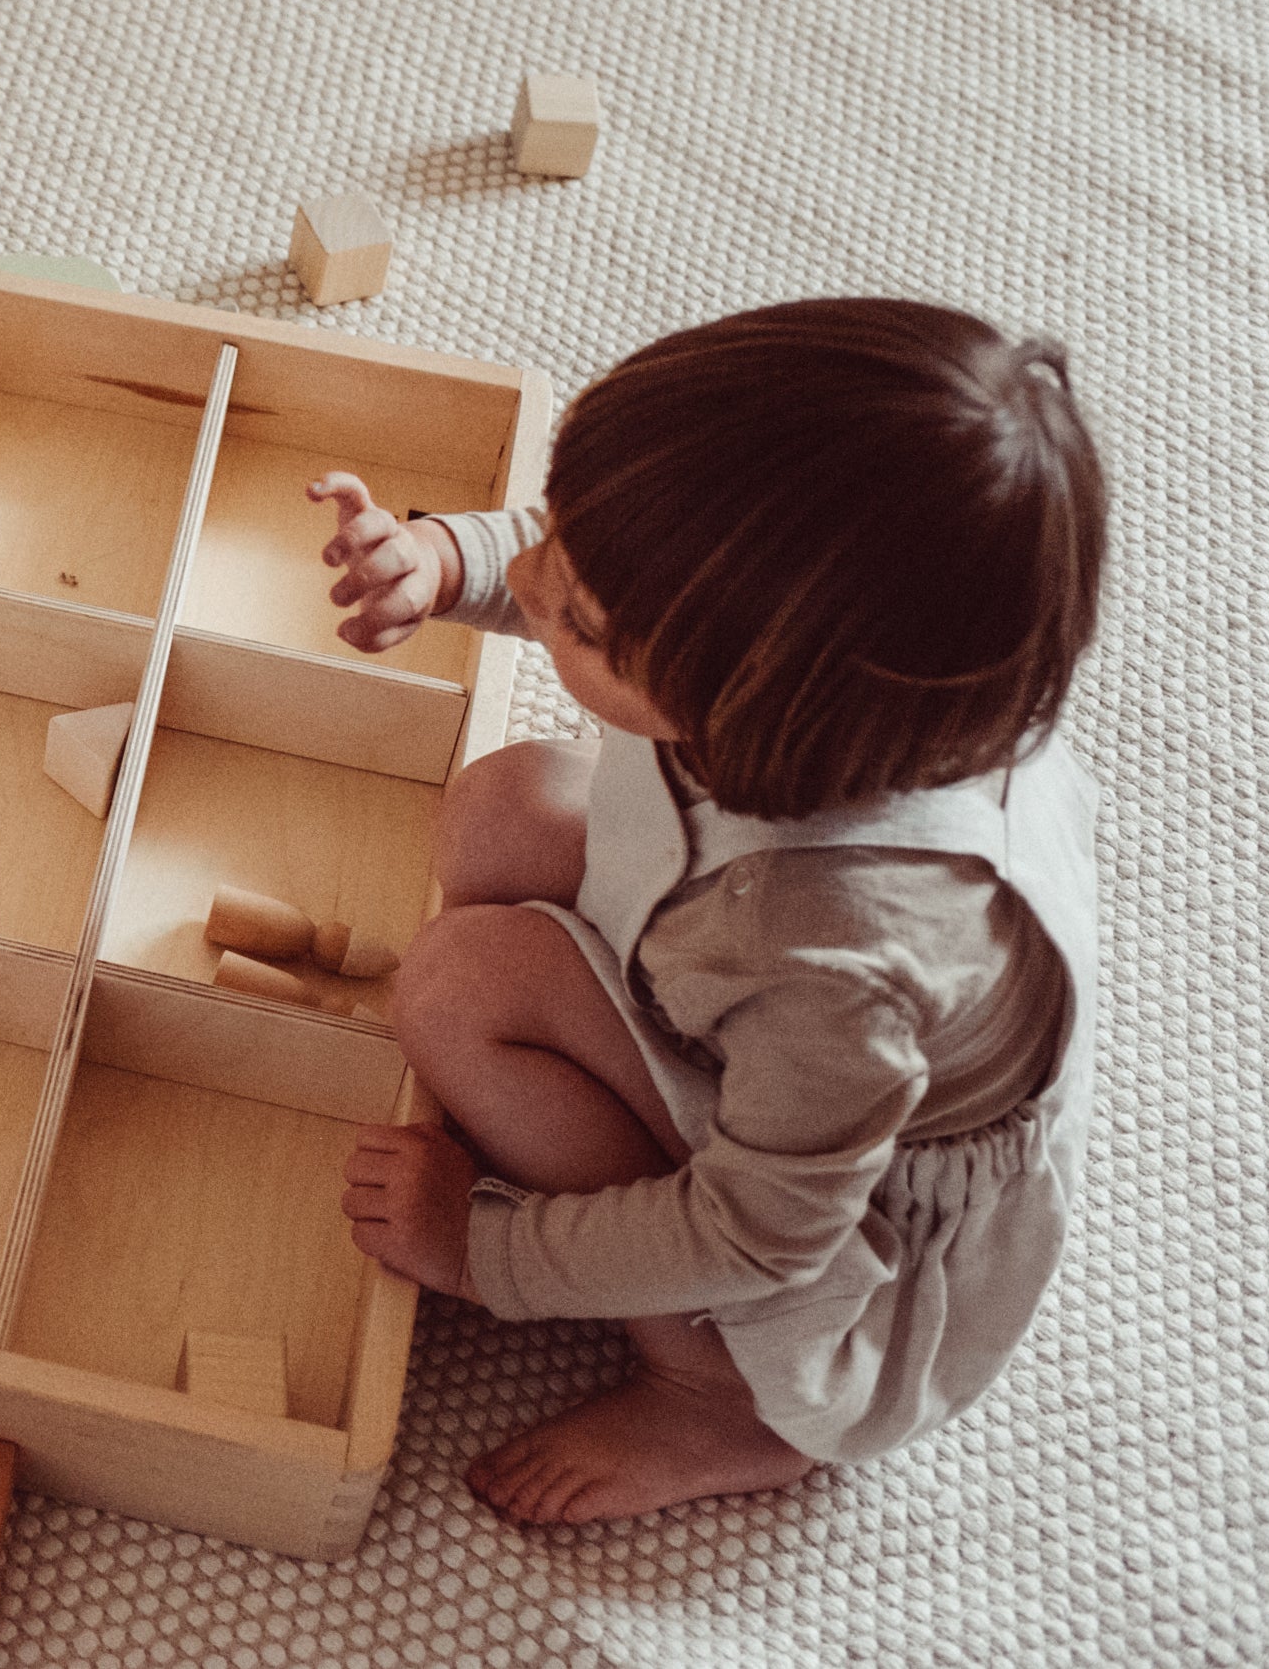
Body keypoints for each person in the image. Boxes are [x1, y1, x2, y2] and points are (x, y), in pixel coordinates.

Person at [313, 299, 1108, 1524]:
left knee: (454, 988)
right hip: (735, 952)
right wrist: (451, 561)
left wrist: (489, 1253)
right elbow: (613, 568)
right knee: (501, 807)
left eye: (571, 616)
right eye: (558, 536)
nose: (531, 578)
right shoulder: (828, 690)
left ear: (749, 714)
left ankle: (712, 1397)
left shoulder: (842, 965)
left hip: (816, 1205)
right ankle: (590, 1118)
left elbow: (757, 1233)